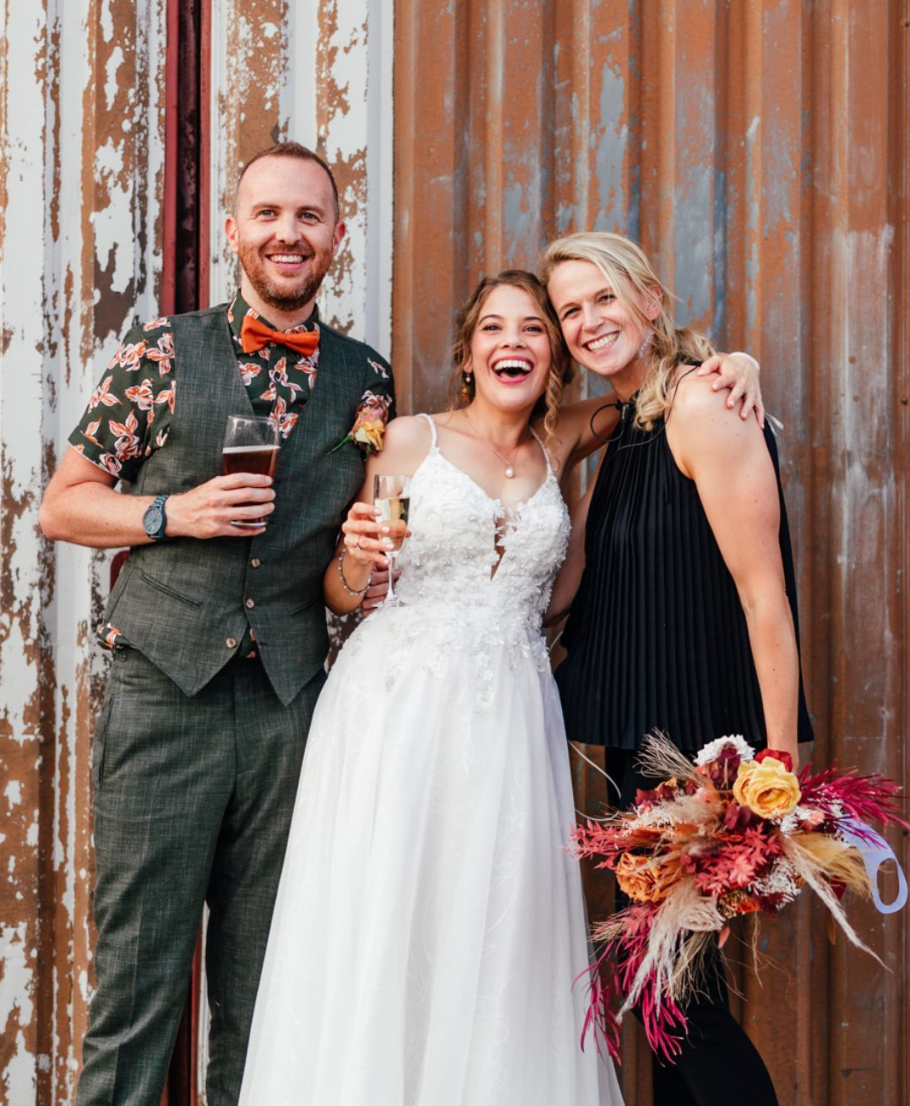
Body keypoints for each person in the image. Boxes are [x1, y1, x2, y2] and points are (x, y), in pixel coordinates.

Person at [237, 268, 758, 1104]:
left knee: (498, 924)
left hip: (513, 711)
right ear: (469, 355)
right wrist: (355, 560)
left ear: (553, 357)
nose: (512, 340)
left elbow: (663, 384)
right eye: (492, 328)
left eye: (532, 328)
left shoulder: (569, 439)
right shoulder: (407, 440)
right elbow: (342, 592)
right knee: (392, 909)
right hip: (396, 703)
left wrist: (735, 364)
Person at [39, 142, 394, 1106]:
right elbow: (61, 506)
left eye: (309, 218)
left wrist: (360, 565)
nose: (289, 234)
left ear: (336, 237)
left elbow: (336, 575)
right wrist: (168, 513)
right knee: (138, 987)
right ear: (235, 232)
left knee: (265, 992)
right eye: (269, 215)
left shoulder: (370, 383)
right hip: (165, 701)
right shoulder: (163, 353)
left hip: (290, 709)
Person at [543, 231, 814, 1106]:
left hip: (705, 754)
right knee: (666, 1001)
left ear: (651, 301)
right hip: (641, 747)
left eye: (605, 299)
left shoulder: (700, 407)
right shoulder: (626, 427)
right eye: (570, 310)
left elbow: (764, 596)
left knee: (679, 1003)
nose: (588, 322)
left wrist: (778, 773)